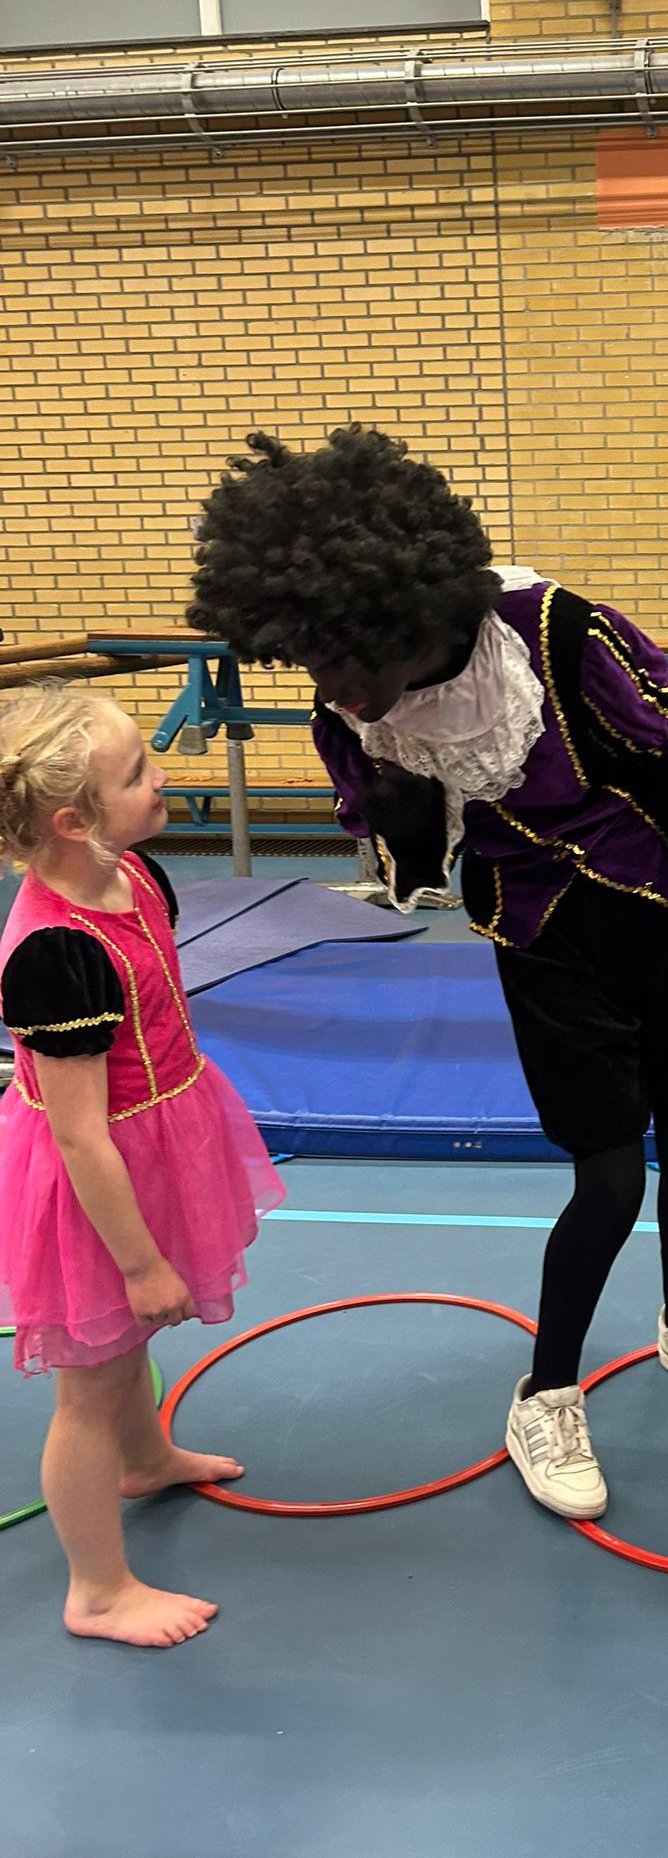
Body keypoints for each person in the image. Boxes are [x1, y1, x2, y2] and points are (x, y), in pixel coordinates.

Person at [189, 427, 668, 1521]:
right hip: (543, 936)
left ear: (407, 616)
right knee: (612, 1177)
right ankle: (545, 1392)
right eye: (314, 665)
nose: (336, 690)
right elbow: (408, 843)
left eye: (349, 663)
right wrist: (399, 810)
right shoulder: (353, 706)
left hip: (666, 912)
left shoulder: (555, 635)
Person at [0, 689, 283, 1647]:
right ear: (72, 822)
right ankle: (98, 1591)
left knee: (128, 1346)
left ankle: (145, 1458)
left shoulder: (135, 871)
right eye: (138, 775)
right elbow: (80, 1137)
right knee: (92, 1377)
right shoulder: (54, 953)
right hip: (97, 1175)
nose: (163, 779)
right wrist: (139, 1261)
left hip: (159, 1137)